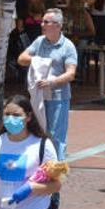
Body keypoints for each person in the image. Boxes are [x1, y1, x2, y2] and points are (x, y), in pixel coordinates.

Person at [18, 9, 78, 160]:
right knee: (38, 132)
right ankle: (40, 166)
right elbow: (21, 58)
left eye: (46, 22)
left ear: (58, 25)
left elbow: (71, 73)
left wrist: (52, 82)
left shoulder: (68, 46)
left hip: (58, 98)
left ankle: (56, 170)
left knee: (56, 136)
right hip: (39, 96)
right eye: (42, 21)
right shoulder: (39, 41)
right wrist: (37, 61)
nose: (42, 24)